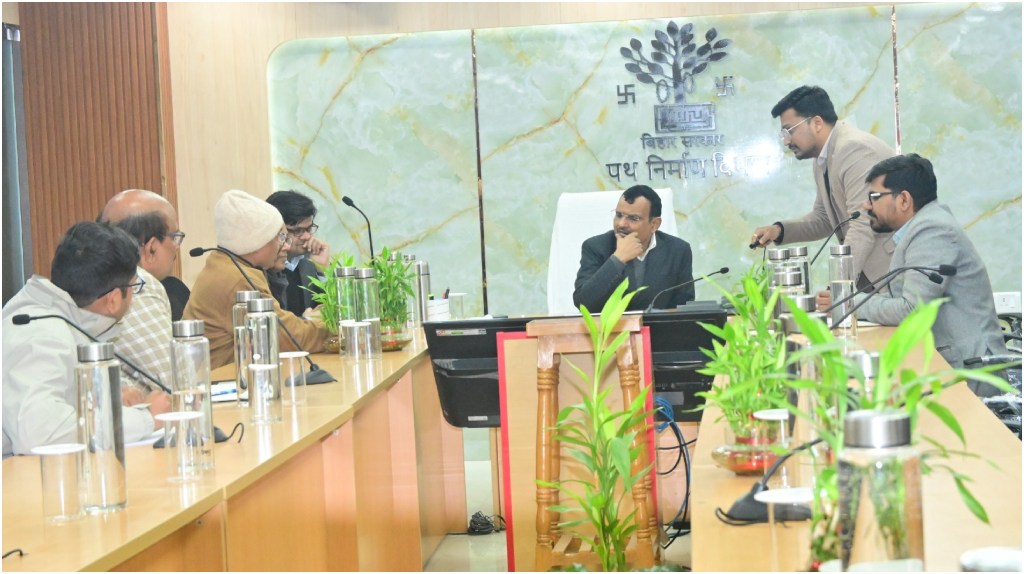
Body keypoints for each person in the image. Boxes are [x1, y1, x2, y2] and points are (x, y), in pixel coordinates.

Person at [822, 154, 1008, 395]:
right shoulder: (922, 226)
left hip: (970, 371)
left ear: (903, 200)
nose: (866, 206)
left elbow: (911, 310)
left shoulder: (933, 230)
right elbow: (901, 299)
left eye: (874, 197)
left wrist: (848, 303)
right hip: (952, 361)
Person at [2, 222, 172, 456]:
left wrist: (104, 401)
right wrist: (145, 419)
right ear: (113, 300)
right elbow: (40, 433)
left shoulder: (67, 321)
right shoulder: (41, 335)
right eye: (135, 286)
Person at [750, 85, 897, 288]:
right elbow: (825, 219)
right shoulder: (824, 157)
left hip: (890, 273)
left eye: (789, 131)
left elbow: (863, 225)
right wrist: (779, 230)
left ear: (817, 123)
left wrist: (838, 288)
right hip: (868, 274)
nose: (786, 141)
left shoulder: (854, 149)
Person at [183, 189, 328, 369]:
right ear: (258, 240)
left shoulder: (232, 266)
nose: (286, 246)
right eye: (281, 237)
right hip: (223, 380)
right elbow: (289, 338)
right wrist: (331, 326)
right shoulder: (237, 278)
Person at [99, 189, 183, 397]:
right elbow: (176, 382)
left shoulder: (96, 280)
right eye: (175, 238)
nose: (177, 248)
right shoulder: (137, 285)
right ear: (151, 248)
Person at [573, 185, 694, 312]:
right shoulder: (596, 247)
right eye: (619, 215)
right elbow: (583, 303)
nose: (621, 224)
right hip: (610, 325)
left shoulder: (678, 251)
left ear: (654, 224)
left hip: (658, 325)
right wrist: (617, 259)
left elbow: (684, 307)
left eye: (633, 218)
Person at [265, 190, 331, 317]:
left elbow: (327, 312)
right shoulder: (263, 266)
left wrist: (322, 271)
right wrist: (305, 321)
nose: (307, 236)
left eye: (309, 229)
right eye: (298, 230)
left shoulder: (310, 261)